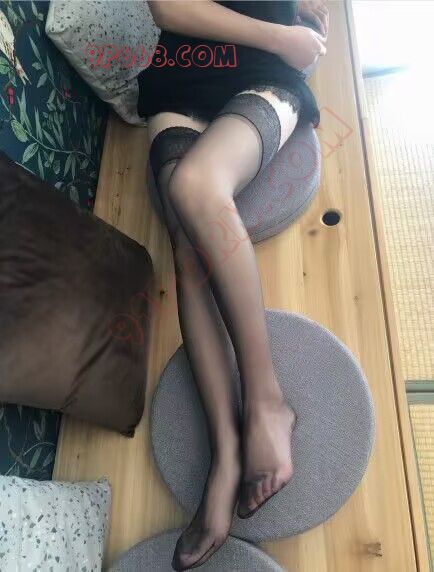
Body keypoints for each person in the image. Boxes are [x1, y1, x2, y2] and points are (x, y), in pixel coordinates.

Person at [139, 1, 328, 569]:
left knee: (196, 186)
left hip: (264, 79)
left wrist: (300, 19)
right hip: (183, 73)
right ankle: (225, 454)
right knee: (185, 238)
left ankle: (267, 404)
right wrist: (282, 36)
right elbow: (168, 8)